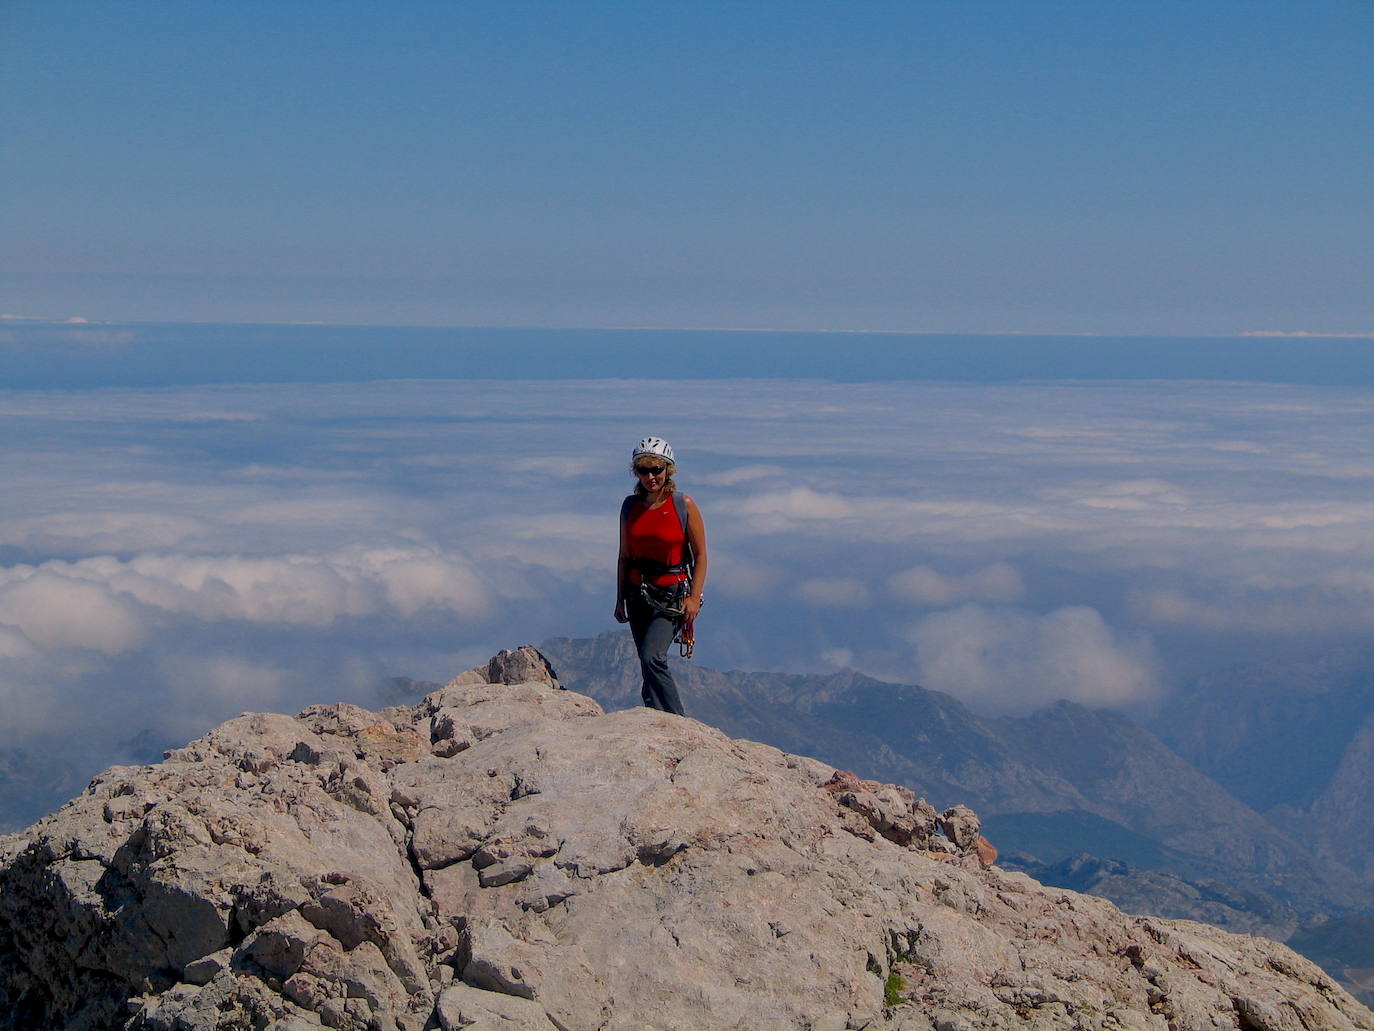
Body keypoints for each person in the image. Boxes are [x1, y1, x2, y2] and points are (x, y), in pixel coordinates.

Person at [614, 436, 708, 716]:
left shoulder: (683, 505)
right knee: (646, 662)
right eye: (644, 470)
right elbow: (624, 556)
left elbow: (701, 554)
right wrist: (620, 600)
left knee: (651, 656)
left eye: (657, 469)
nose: (651, 476)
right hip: (636, 592)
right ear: (636, 472)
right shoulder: (630, 506)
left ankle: (679, 720)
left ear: (669, 470)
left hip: (671, 594)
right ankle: (655, 715)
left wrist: (693, 599)